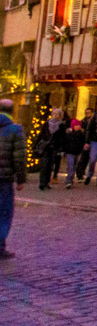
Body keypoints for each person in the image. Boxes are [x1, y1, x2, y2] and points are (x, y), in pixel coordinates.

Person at [0, 99, 26, 259]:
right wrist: (21, 178)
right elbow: (20, 157)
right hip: (4, 178)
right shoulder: (15, 130)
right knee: (3, 212)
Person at [36, 108, 67, 190]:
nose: (55, 116)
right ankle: (42, 183)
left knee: (50, 166)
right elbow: (41, 134)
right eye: (54, 114)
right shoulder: (46, 123)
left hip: (55, 147)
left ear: (60, 116)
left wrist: (62, 148)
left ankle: (46, 182)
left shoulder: (61, 125)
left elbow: (63, 138)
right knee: (44, 165)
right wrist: (36, 144)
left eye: (57, 114)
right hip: (46, 147)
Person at [62, 119, 85, 189]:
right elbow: (65, 142)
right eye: (76, 125)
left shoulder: (81, 134)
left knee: (74, 166)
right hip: (70, 152)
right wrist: (64, 150)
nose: (77, 127)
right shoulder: (69, 133)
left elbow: (82, 143)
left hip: (77, 152)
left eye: (78, 125)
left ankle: (71, 180)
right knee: (70, 165)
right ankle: (68, 180)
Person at [75, 107, 94, 182]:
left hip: (92, 141)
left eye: (88, 113)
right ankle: (79, 174)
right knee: (83, 158)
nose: (87, 114)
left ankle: (84, 173)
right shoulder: (83, 121)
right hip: (84, 142)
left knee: (89, 159)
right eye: (86, 113)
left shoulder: (94, 121)